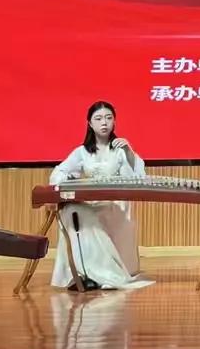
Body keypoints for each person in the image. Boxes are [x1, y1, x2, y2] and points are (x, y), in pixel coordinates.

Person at [49, 101, 153, 291]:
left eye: (108, 118)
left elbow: (136, 179)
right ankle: (84, 272)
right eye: (98, 119)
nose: (104, 122)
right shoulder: (82, 152)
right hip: (91, 201)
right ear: (89, 123)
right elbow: (59, 172)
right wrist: (68, 180)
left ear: (114, 121)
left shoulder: (120, 150)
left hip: (115, 203)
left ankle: (103, 272)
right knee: (72, 211)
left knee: (86, 214)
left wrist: (129, 153)